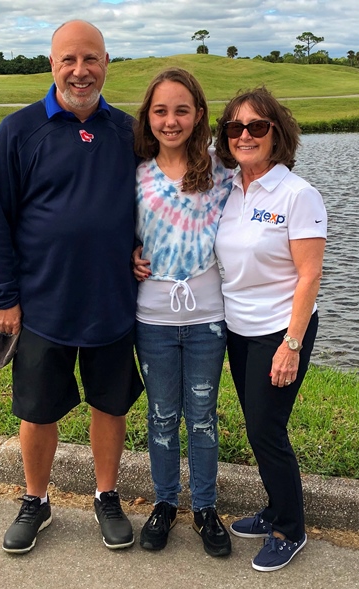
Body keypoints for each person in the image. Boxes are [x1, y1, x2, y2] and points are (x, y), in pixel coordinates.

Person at [0, 20, 143, 554]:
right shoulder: (19, 130)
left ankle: (106, 495)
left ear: (106, 64)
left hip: (112, 299)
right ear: (52, 65)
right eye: (69, 59)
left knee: (109, 404)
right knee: (38, 407)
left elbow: (156, 200)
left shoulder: (128, 132)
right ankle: (36, 500)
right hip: (42, 302)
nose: (80, 70)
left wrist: (147, 248)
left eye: (90, 59)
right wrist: (3, 296)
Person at [214, 87, 327, 572]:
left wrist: (292, 344)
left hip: (280, 331)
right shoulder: (227, 188)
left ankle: (290, 528)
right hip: (237, 330)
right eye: (235, 127)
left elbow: (310, 275)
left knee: (266, 430)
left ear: (276, 134)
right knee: (259, 427)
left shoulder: (296, 194)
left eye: (257, 126)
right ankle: (274, 509)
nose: (245, 135)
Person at [132, 68, 233, 557]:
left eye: (181, 110)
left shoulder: (223, 172)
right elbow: (114, 231)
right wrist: (127, 254)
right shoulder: (135, 174)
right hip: (151, 315)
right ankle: (165, 503)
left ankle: (207, 508)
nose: (171, 121)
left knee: (202, 417)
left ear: (198, 115)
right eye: (160, 111)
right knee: (161, 415)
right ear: (148, 117)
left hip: (208, 317)